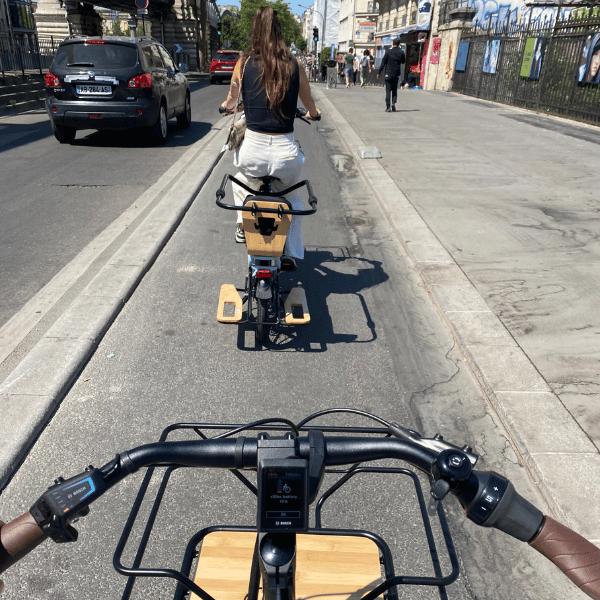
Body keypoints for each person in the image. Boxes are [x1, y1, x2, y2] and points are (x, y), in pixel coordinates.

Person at [220, 6, 321, 264]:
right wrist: (313, 113)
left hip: (253, 152)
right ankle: (290, 252)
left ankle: (243, 226)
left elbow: (232, 99)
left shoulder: (243, 64)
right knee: (292, 200)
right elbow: (310, 105)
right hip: (285, 155)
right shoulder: (295, 65)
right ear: (280, 32)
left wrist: (226, 107)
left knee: (241, 182)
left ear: (254, 31)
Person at [377, 38, 405, 112]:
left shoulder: (388, 52)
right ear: (399, 44)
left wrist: (379, 72)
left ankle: (388, 107)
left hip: (388, 74)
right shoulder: (401, 52)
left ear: (393, 43)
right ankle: (393, 103)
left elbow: (383, 63)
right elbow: (403, 61)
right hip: (396, 74)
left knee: (388, 91)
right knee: (394, 90)